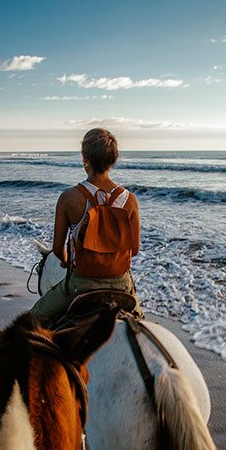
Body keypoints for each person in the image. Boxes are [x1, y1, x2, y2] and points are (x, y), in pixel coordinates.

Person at [30, 128, 143, 325]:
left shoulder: (69, 198)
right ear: (113, 160)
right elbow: (134, 250)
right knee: (143, 327)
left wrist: (66, 262)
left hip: (81, 285)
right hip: (122, 285)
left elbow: (58, 249)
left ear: (84, 158)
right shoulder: (130, 200)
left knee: (31, 320)